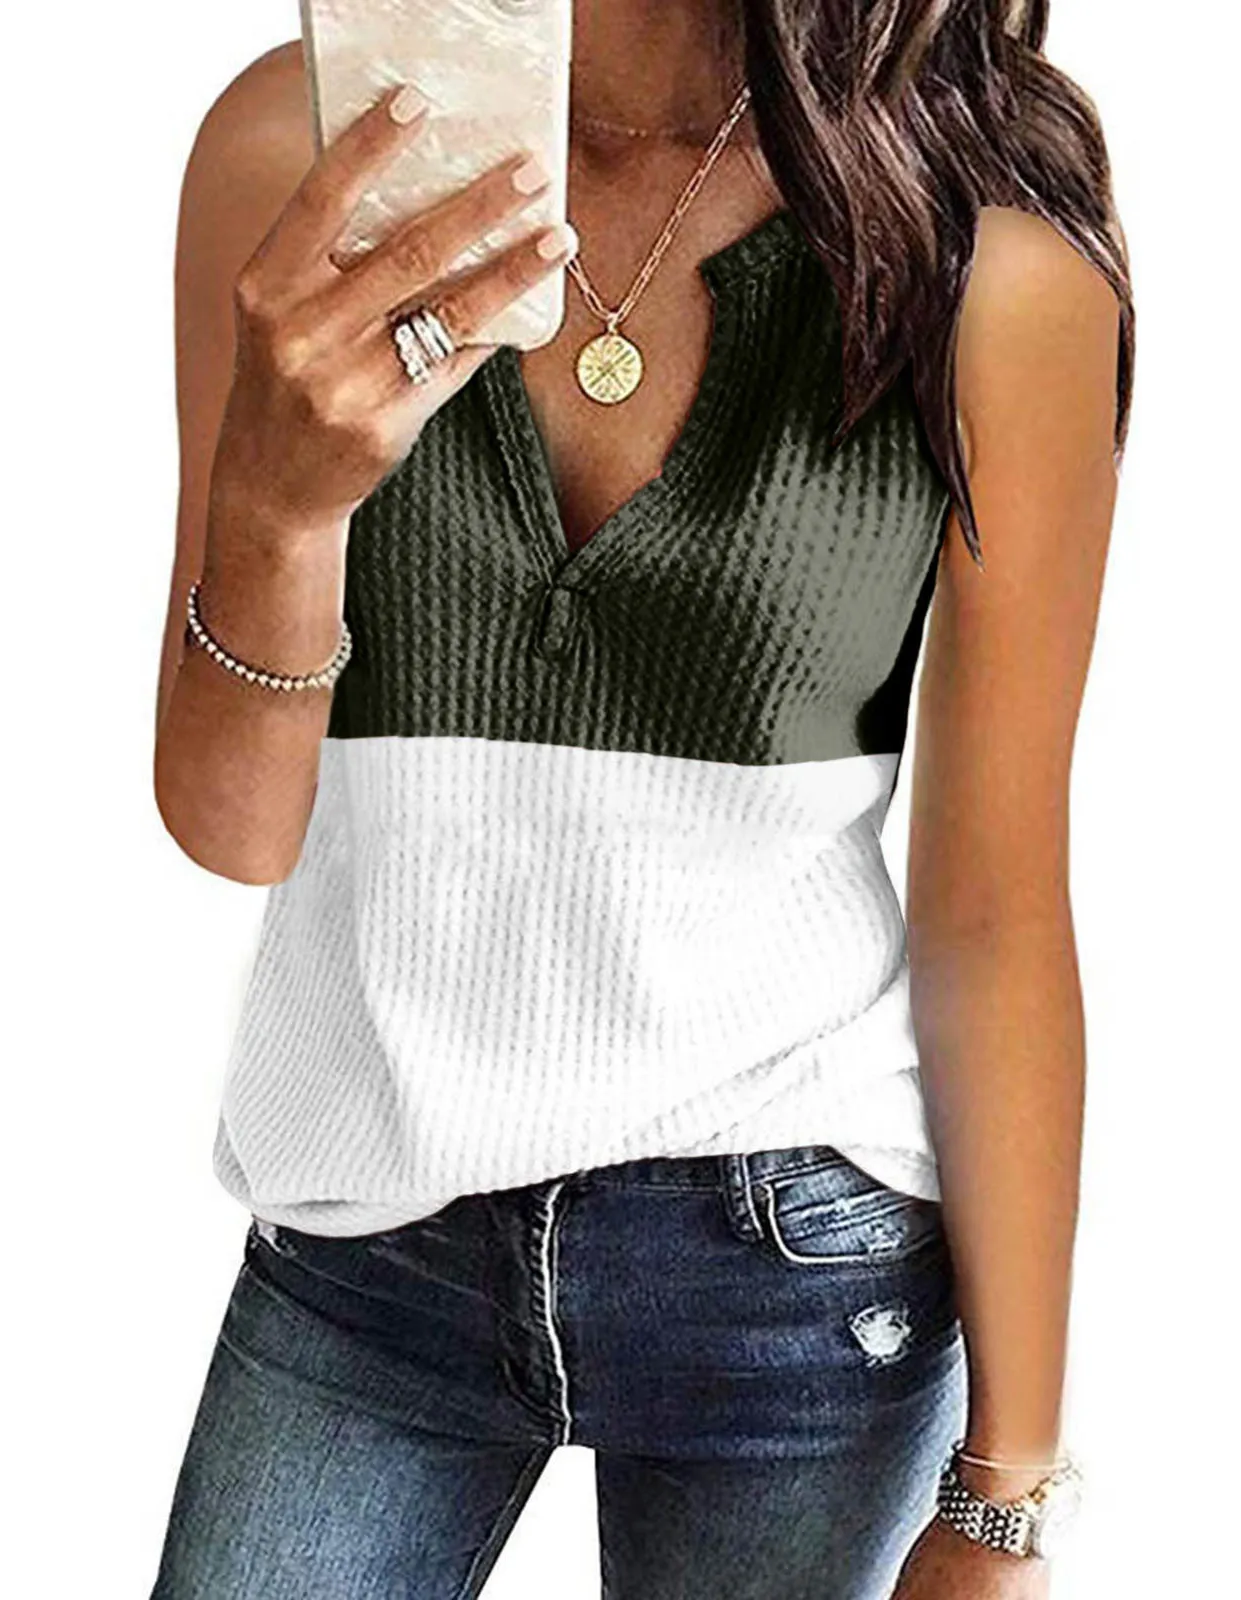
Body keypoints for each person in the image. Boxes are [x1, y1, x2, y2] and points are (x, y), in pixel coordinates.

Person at [148, 2, 1131, 1596]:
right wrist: (278, 512)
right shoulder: (301, 150)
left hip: (795, 1266)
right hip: (368, 1253)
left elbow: (998, 909)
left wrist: (1006, 1498)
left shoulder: (978, 250)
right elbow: (230, 822)